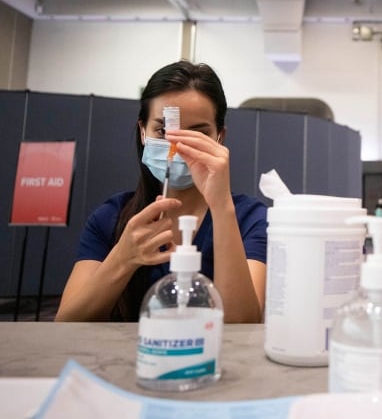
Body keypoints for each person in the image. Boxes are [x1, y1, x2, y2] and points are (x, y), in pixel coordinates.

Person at [56, 61, 267, 323]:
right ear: (143, 131)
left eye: (197, 134)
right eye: (163, 130)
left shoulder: (250, 220)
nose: (176, 146)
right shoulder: (111, 218)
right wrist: (124, 258)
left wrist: (221, 207)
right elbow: (66, 324)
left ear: (219, 138)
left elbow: (242, 325)